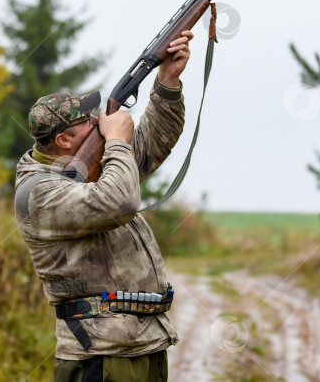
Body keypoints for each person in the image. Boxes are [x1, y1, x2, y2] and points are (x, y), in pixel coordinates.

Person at [13, 30, 195, 382]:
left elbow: (151, 144)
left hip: (142, 343)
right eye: (87, 121)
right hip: (100, 355)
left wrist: (167, 83)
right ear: (64, 140)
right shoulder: (38, 193)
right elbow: (120, 201)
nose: (98, 120)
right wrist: (116, 140)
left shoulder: (90, 166)